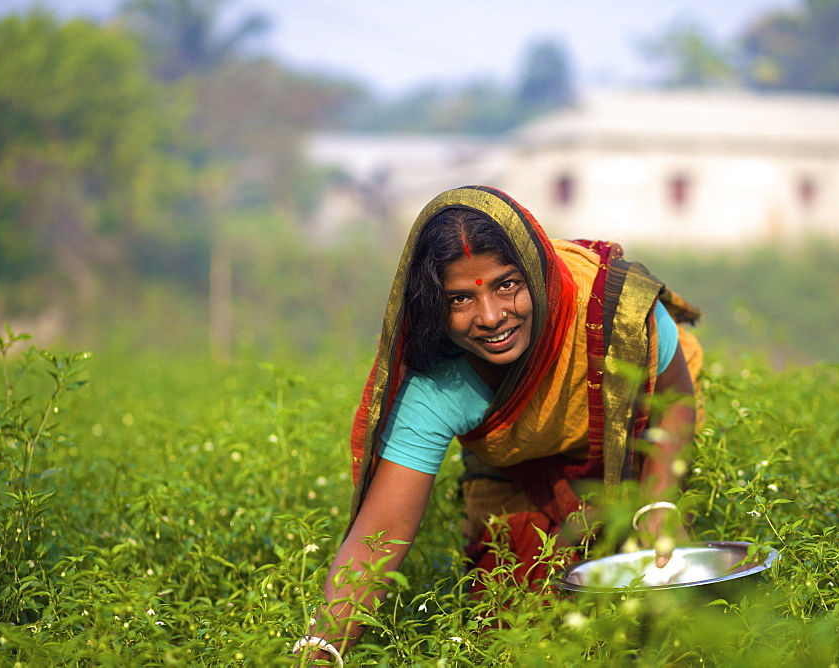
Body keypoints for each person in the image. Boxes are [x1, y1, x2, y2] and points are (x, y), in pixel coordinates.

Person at [293, 185, 702, 665]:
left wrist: (659, 498)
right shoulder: (438, 381)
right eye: (460, 299)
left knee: (649, 604)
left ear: (537, 273)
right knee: (506, 620)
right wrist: (321, 649)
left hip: (629, 435)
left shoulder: (616, 314)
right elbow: (378, 538)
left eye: (507, 284)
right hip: (515, 467)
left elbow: (675, 399)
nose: (490, 317)